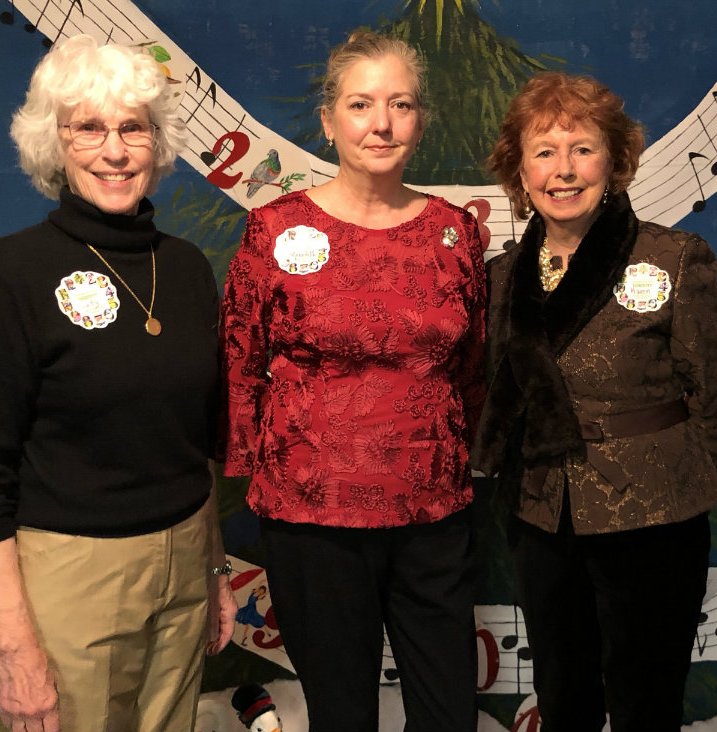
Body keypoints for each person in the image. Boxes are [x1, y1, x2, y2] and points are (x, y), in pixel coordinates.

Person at [0, 35, 235, 732]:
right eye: (89, 128)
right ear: (56, 142)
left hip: (184, 566)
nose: (115, 151)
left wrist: (214, 569)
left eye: (133, 127)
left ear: (157, 141)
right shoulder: (10, 273)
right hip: (67, 580)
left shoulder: (188, 269)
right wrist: (13, 645)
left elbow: (194, 439)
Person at [220, 31, 486, 732]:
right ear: (329, 120)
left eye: (401, 105)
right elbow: (241, 362)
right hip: (313, 517)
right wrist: (245, 471)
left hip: (432, 512)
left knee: (449, 714)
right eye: (362, 104)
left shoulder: (456, 233)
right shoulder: (274, 229)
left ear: (421, 122)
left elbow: (473, 367)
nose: (382, 124)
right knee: (341, 714)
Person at [473, 72, 717, 732]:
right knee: (561, 691)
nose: (563, 170)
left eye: (583, 149)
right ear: (520, 171)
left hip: (654, 510)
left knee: (645, 697)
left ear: (615, 161)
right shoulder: (501, 277)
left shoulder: (673, 258)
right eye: (544, 151)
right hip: (542, 510)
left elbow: (716, 396)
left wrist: (675, 478)